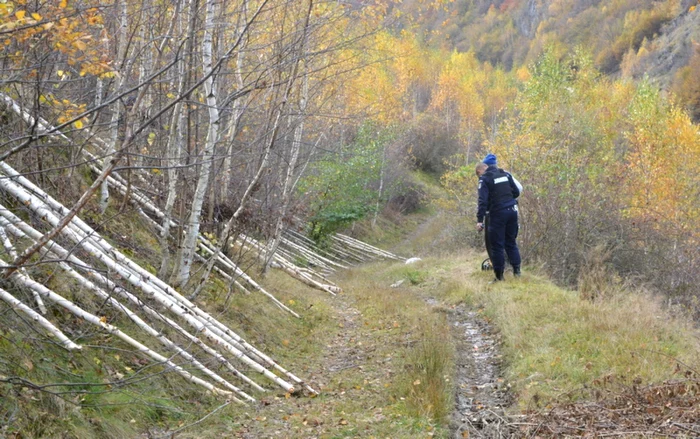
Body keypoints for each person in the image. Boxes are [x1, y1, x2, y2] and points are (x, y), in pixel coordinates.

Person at [475, 154, 522, 281]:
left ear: (485, 166)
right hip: (512, 211)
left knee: (497, 246)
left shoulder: (485, 179)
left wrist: (480, 220)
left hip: (498, 213)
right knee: (511, 242)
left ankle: (499, 277)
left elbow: (482, 201)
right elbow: (516, 192)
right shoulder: (505, 174)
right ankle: (517, 272)